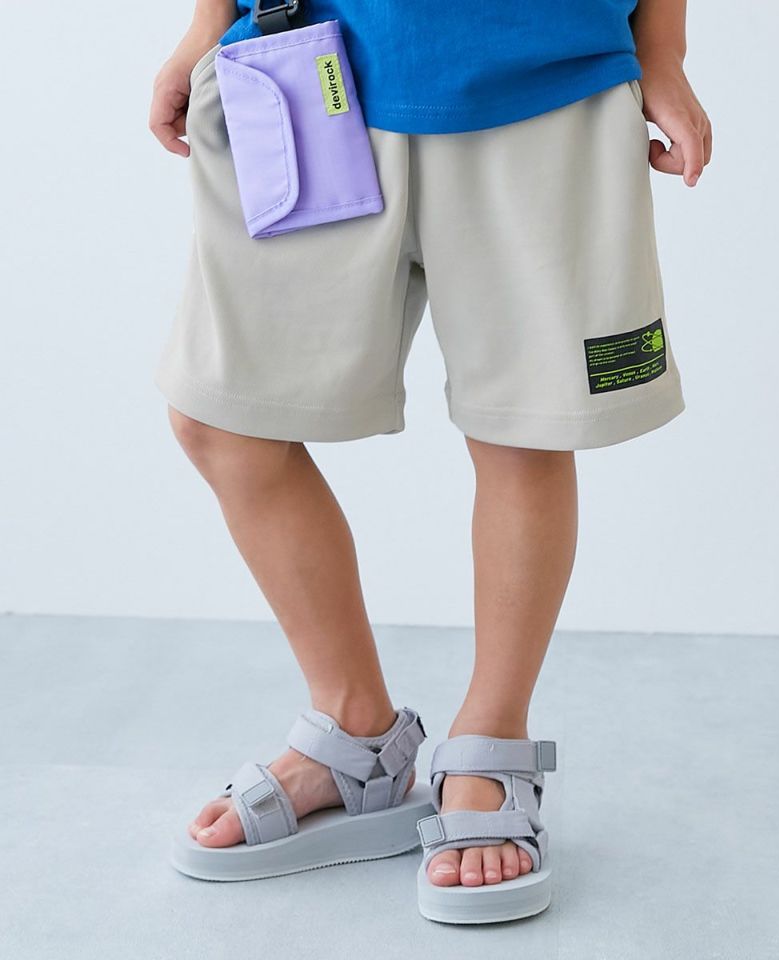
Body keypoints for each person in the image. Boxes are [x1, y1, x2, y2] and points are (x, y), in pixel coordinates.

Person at [149, 0, 710, 924]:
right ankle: (354, 732)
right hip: (301, 61)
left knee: (523, 427)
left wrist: (664, 49)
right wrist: (206, 24)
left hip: (544, 77)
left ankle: (492, 735)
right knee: (221, 419)